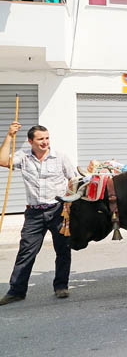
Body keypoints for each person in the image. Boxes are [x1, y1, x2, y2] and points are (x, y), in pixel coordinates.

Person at [0, 123, 76, 305]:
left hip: (58, 210)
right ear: (30, 141)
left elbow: (73, 178)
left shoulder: (60, 157)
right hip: (34, 214)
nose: (45, 142)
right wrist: (10, 136)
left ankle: (61, 286)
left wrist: (69, 200)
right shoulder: (23, 157)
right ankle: (16, 291)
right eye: (40, 139)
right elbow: (3, 161)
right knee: (26, 252)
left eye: (47, 138)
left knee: (63, 250)